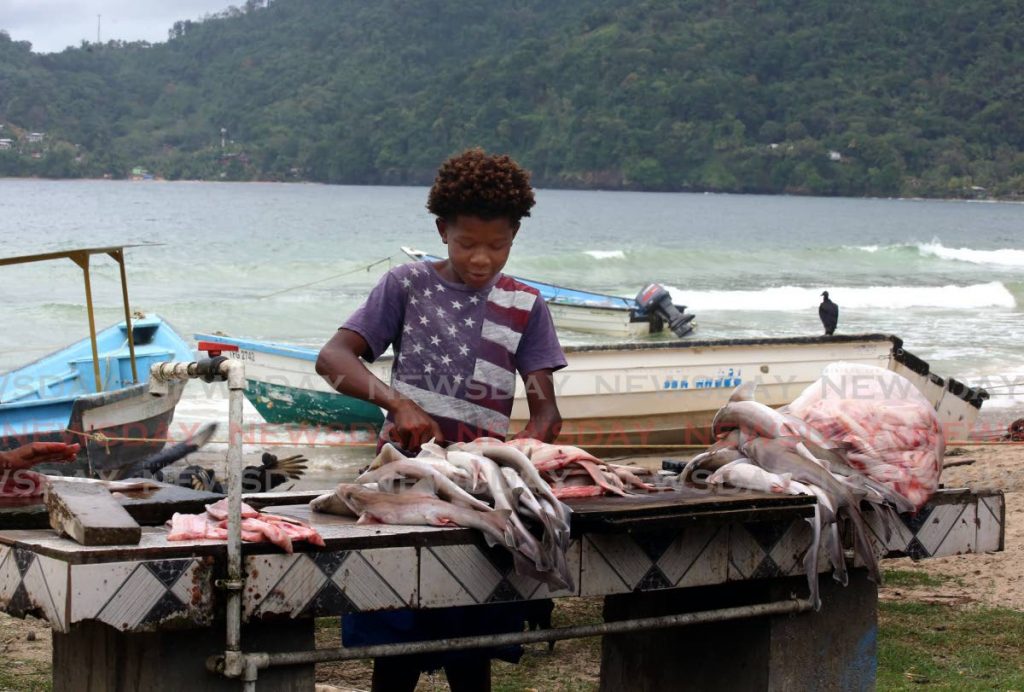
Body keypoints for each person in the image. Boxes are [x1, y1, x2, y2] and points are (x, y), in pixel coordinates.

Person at [316, 147, 566, 691]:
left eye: (497, 245)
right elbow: (333, 360)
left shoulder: (527, 305)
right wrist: (397, 403)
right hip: (406, 483)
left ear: (515, 235)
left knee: (471, 650)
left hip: (480, 492)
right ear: (440, 229)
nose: (481, 258)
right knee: (398, 645)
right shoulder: (406, 286)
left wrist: (531, 441)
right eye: (466, 243)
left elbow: (545, 407)